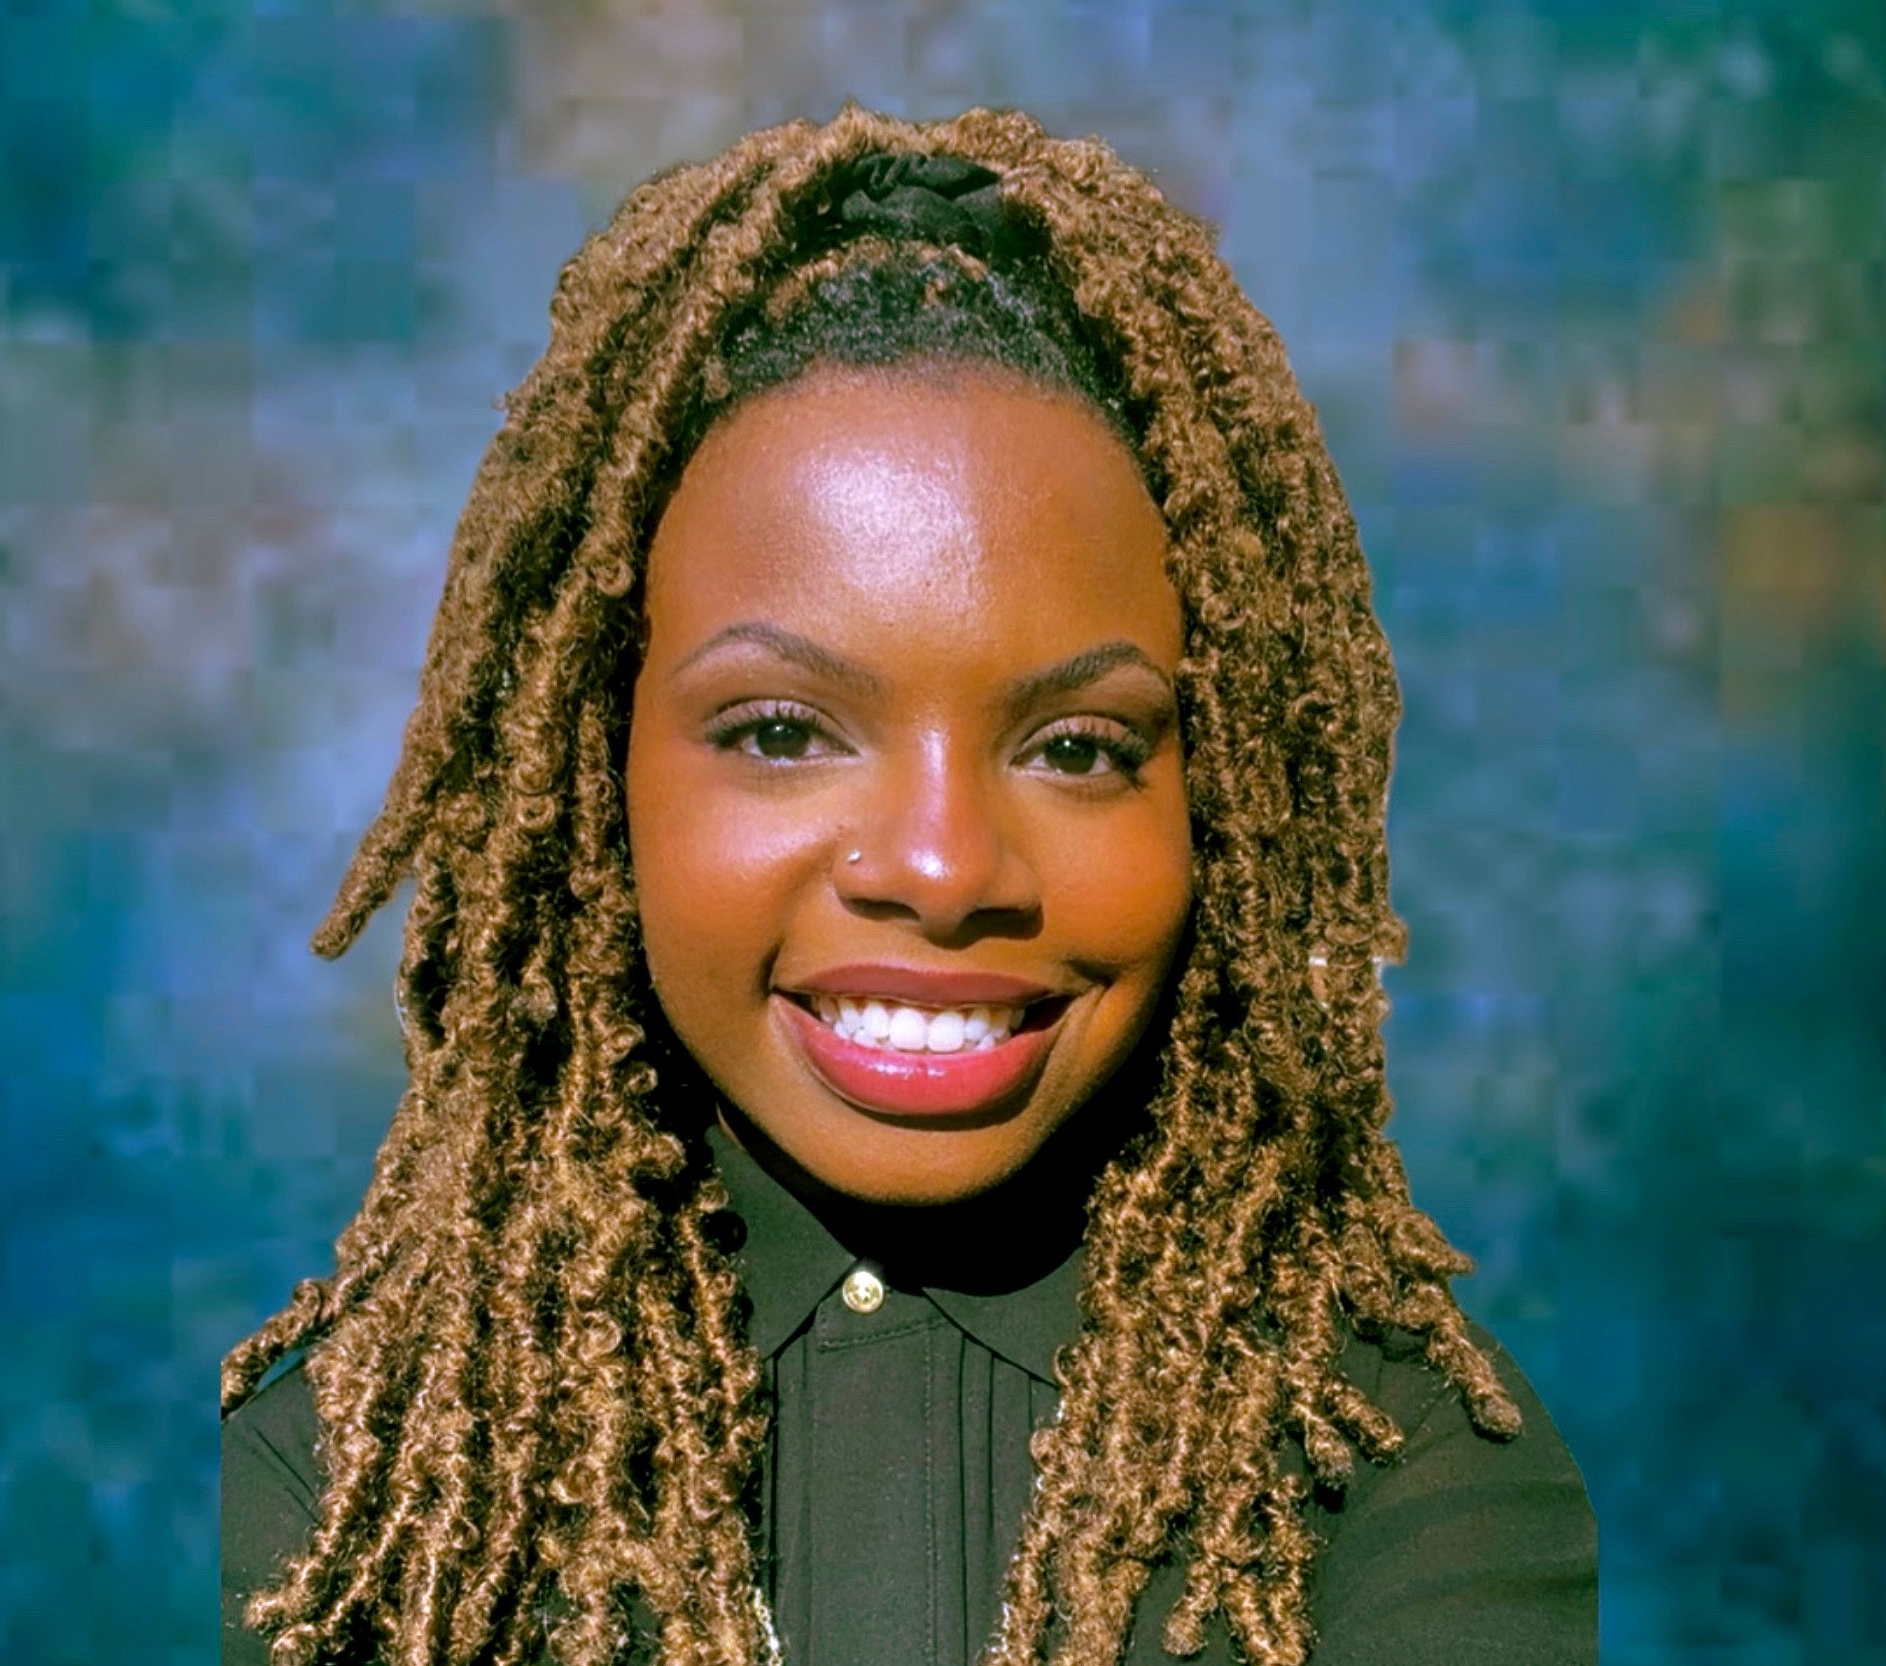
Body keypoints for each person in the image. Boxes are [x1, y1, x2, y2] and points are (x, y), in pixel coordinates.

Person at [220, 104, 1596, 1666]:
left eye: (1076, 748)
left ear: (1220, 800)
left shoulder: (1410, 1481)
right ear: (599, 773)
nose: (943, 869)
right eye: (784, 732)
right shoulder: (345, 1503)